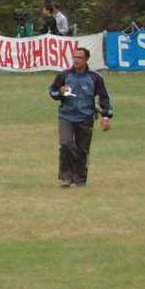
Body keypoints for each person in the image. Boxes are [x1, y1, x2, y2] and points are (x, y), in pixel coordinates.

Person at [49, 46, 112, 187]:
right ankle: (66, 177)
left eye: (80, 58)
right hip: (66, 116)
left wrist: (106, 117)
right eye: (74, 57)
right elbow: (52, 91)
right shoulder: (64, 75)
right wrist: (60, 92)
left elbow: (104, 98)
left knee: (83, 149)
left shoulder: (95, 78)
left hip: (86, 117)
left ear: (86, 59)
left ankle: (80, 179)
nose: (76, 60)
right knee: (65, 143)